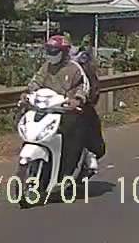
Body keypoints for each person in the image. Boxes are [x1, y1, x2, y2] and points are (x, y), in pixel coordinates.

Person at [27, 35, 90, 175]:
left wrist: (77, 99)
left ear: (64, 52)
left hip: (67, 111)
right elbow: (36, 82)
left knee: (70, 140)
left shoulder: (74, 68)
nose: (50, 54)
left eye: (54, 51)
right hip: (47, 110)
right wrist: (28, 93)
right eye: (48, 50)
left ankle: (68, 172)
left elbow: (83, 86)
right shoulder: (46, 67)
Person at [71, 44, 105, 174]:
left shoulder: (85, 71)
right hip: (55, 107)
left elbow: (92, 91)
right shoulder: (52, 68)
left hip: (80, 108)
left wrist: (80, 101)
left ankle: (88, 155)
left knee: (88, 128)